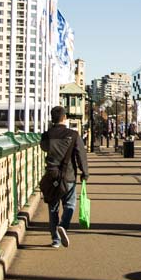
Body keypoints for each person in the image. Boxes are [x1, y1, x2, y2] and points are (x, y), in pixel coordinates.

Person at [40, 106, 89, 248]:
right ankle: (64, 225)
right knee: (70, 204)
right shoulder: (73, 135)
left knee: (53, 207)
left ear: (52, 118)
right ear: (64, 118)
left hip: (52, 175)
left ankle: (55, 240)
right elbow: (81, 155)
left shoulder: (47, 135)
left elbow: (44, 147)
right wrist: (85, 173)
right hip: (69, 176)